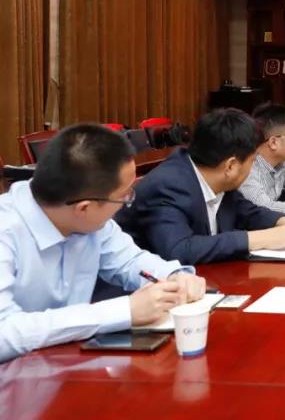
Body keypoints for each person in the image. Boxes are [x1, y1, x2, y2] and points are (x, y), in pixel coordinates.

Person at [0, 125, 206, 362]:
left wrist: (173, 276)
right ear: (84, 208)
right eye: (124, 196)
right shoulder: (6, 231)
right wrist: (123, 311)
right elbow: (4, 333)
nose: (128, 201)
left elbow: (130, 261)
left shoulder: (90, 221)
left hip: (69, 364)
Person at [120, 109, 285, 264]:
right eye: (252, 161)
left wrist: (284, 222)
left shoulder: (215, 175)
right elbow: (179, 250)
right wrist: (259, 238)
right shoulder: (168, 186)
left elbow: (246, 210)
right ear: (231, 166)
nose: (253, 167)